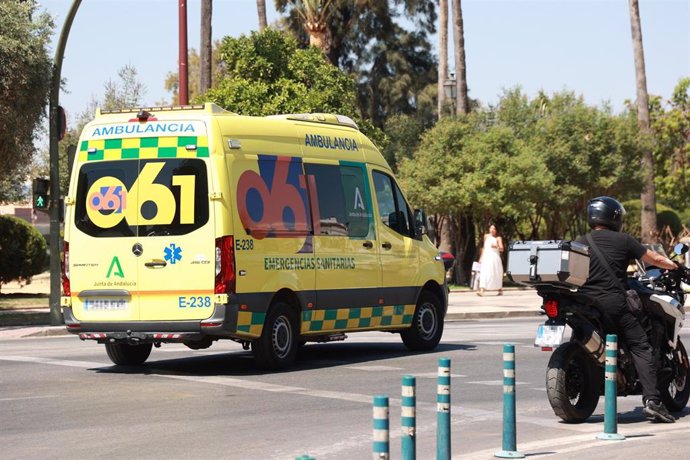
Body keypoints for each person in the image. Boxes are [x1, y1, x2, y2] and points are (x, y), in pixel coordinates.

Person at [578, 196, 678, 423]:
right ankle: (653, 401)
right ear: (614, 217)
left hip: (585, 303)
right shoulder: (623, 240)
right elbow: (652, 258)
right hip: (613, 302)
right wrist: (673, 264)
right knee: (641, 345)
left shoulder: (581, 240)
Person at [478, 224, 504, 296]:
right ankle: (482, 289)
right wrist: (481, 257)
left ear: (496, 230)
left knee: (495, 273)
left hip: (494, 257)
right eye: (491, 228)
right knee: (484, 272)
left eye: (494, 229)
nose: (492, 230)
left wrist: (497, 246)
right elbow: (484, 247)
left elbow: (502, 249)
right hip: (486, 256)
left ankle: (500, 289)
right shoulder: (486, 236)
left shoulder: (498, 238)